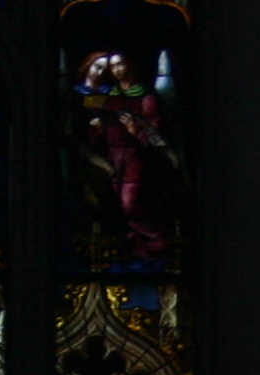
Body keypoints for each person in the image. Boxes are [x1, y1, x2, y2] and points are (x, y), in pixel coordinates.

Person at [73, 48, 180, 261]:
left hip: (135, 156)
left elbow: (154, 133)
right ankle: (135, 243)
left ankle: (157, 240)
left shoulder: (145, 96)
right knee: (116, 204)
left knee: (129, 202)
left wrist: (134, 131)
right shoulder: (108, 98)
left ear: (130, 66)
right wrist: (96, 131)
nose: (116, 69)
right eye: (112, 66)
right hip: (112, 156)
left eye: (120, 64)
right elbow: (94, 132)